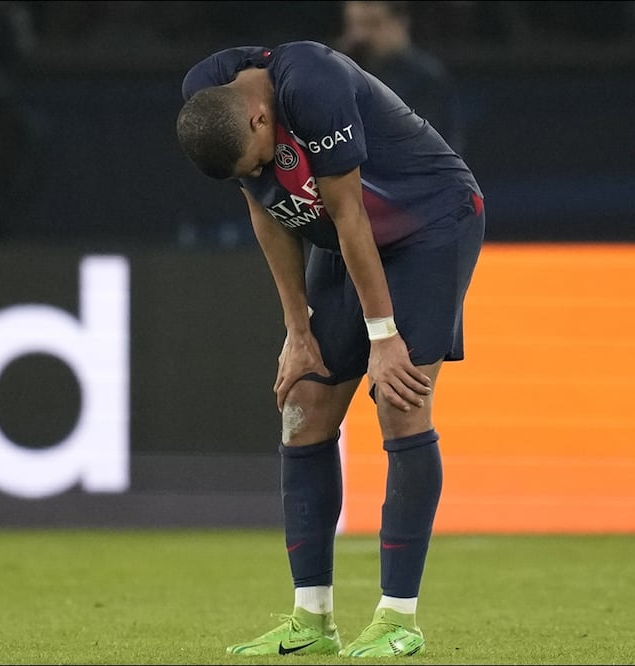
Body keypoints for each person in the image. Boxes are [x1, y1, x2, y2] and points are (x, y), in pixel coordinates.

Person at [175, 40, 484, 658]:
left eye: (259, 158)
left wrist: (383, 337)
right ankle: (312, 620)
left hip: (428, 226)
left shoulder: (311, 84)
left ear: (260, 118)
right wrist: (298, 332)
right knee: (303, 406)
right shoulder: (210, 98)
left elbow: (349, 214)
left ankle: (399, 618)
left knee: (399, 400)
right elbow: (269, 212)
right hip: (344, 240)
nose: (261, 171)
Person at [337, 1, 465, 152]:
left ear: (400, 23)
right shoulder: (342, 74)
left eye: (373, 24)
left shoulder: (425, 80)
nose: (361, 35)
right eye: (353, 25)